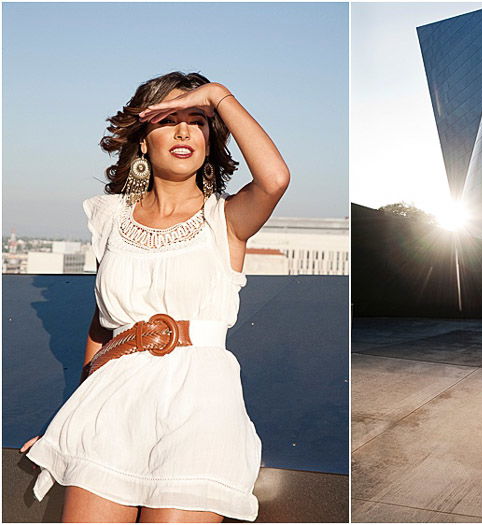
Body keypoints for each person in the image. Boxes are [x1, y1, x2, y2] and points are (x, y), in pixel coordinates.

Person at [19, 71, 290, 522]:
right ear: (143, 140)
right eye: (168, 119)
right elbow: (103, 325)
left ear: (209, 138)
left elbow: (275, 178)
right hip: (111, 404)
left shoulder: (226, 219)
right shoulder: (109, 217)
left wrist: (218, 96)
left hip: (199, 405)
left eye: (198, 119)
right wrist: (72, 418)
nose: (184, 130)